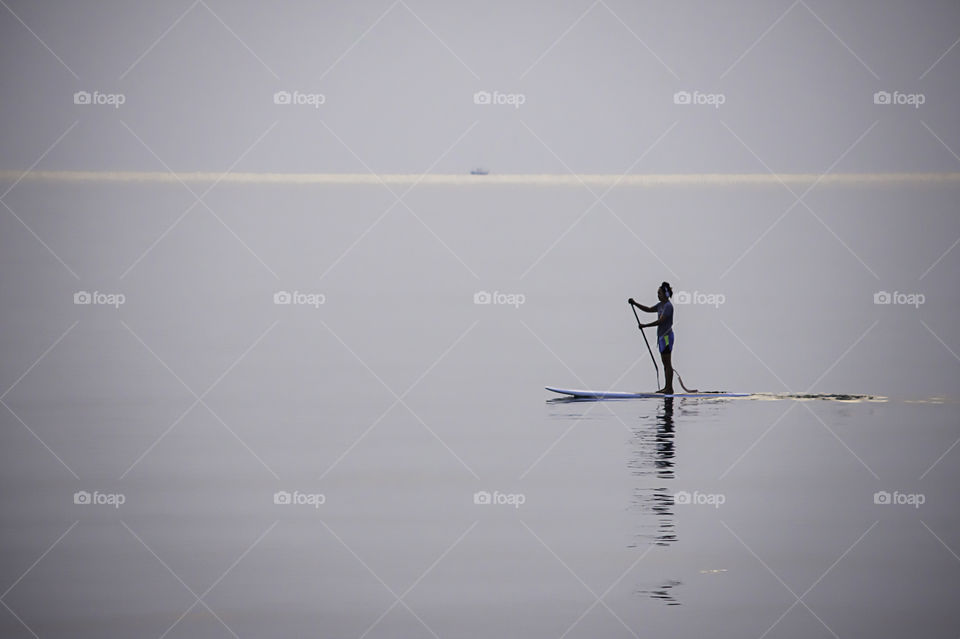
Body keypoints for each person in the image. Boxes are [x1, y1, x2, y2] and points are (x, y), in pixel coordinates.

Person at [628, 282, 675, 394]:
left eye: (659, 293)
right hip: (661, 338)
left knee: (667, 364)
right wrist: (635, 303)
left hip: (667, 338)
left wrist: (645, 326)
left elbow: (660, 321)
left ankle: (669, 388)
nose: (658, 295)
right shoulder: (660, 305)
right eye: (657, 293)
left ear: (665, 294)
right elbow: (648, 309)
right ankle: (666, 387)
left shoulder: (668, 306)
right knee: (665, 363)